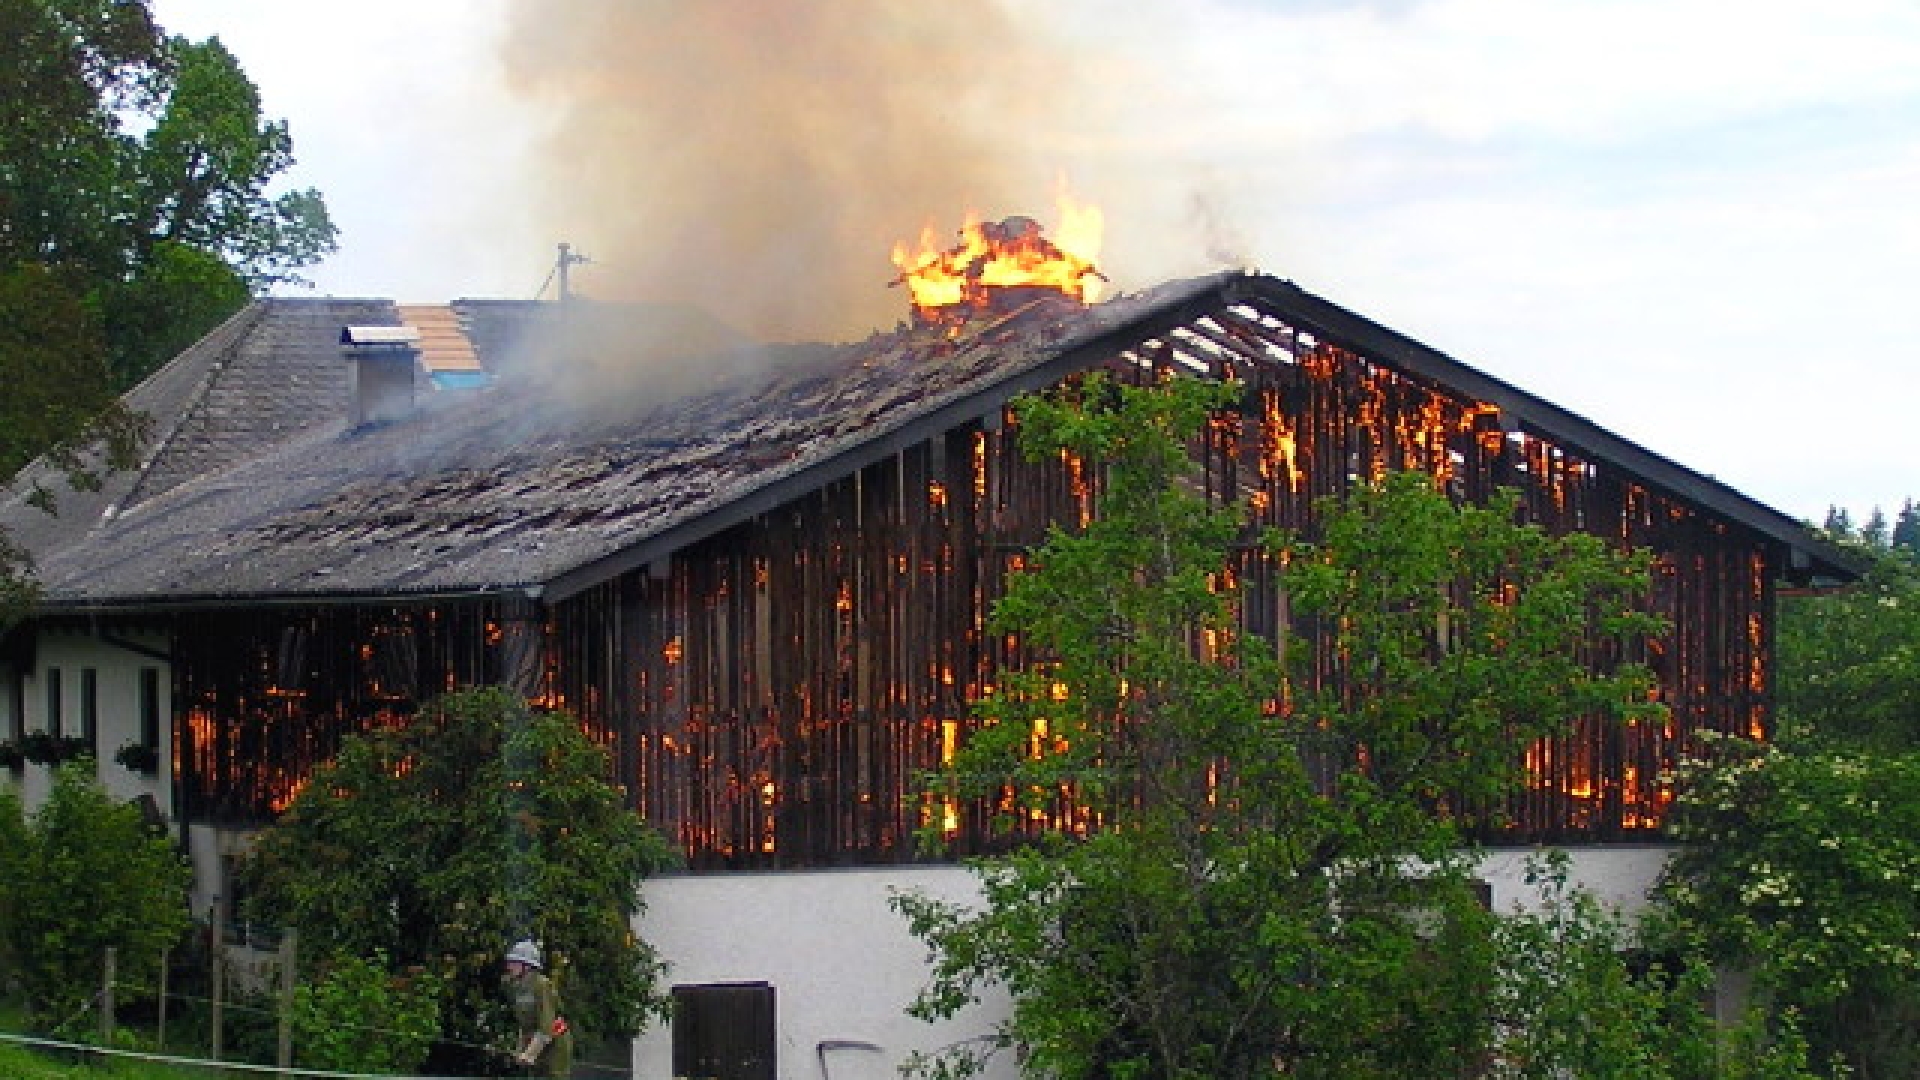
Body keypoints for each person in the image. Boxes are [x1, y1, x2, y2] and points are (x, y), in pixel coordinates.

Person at [502, 939, 573, 1077]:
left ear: (527, 966)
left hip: (555, 1044)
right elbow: (524, 1024)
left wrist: (529, 1054)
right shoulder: (516, 987)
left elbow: (546, 1026)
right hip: (535, 1041)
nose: (509, 966)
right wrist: (521, 1050)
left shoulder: (542, 985)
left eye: (514, 962)